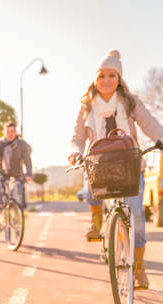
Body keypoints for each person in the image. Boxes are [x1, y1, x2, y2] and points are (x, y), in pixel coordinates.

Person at [68, 50, 163, 290]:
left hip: (130, 165)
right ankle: (96, 221)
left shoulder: (131, 102)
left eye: (112, 75)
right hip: (99, 165)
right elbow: (78, 136)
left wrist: (160, 137)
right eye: (101, 75)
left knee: (137, 217)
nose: (106, 80)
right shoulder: (86, 106)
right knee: (90, 188)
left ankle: (139, 269)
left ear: (119, 79)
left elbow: (150, 123)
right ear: (95, 79)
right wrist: (75, 151)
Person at [0, 121, 33, 211]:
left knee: (16, 191)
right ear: (4, 133)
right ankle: (0, 205)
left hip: (16, 174)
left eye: (12, 131)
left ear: (16, 132)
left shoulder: (22, 144)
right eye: (7, 132)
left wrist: (29, 174)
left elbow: (27, 160)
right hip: (1, 173)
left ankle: (16, 213)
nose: (10, 134)